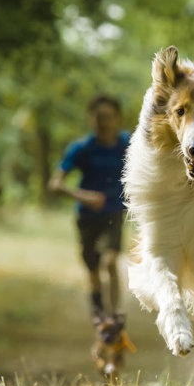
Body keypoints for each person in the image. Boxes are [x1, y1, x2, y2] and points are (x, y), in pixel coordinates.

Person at [49, 94, 135, 368]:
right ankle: (100, 320)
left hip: (113, 213)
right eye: (98, 118)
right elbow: (55, 183)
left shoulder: (128, 144)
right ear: (91, 120)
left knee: (111, 261)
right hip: (87, 218)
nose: (103, 123)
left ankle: (117, 319)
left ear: (117, 119)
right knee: (93, 273)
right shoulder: (82, 148)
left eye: (108, 118)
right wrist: (82, 195)